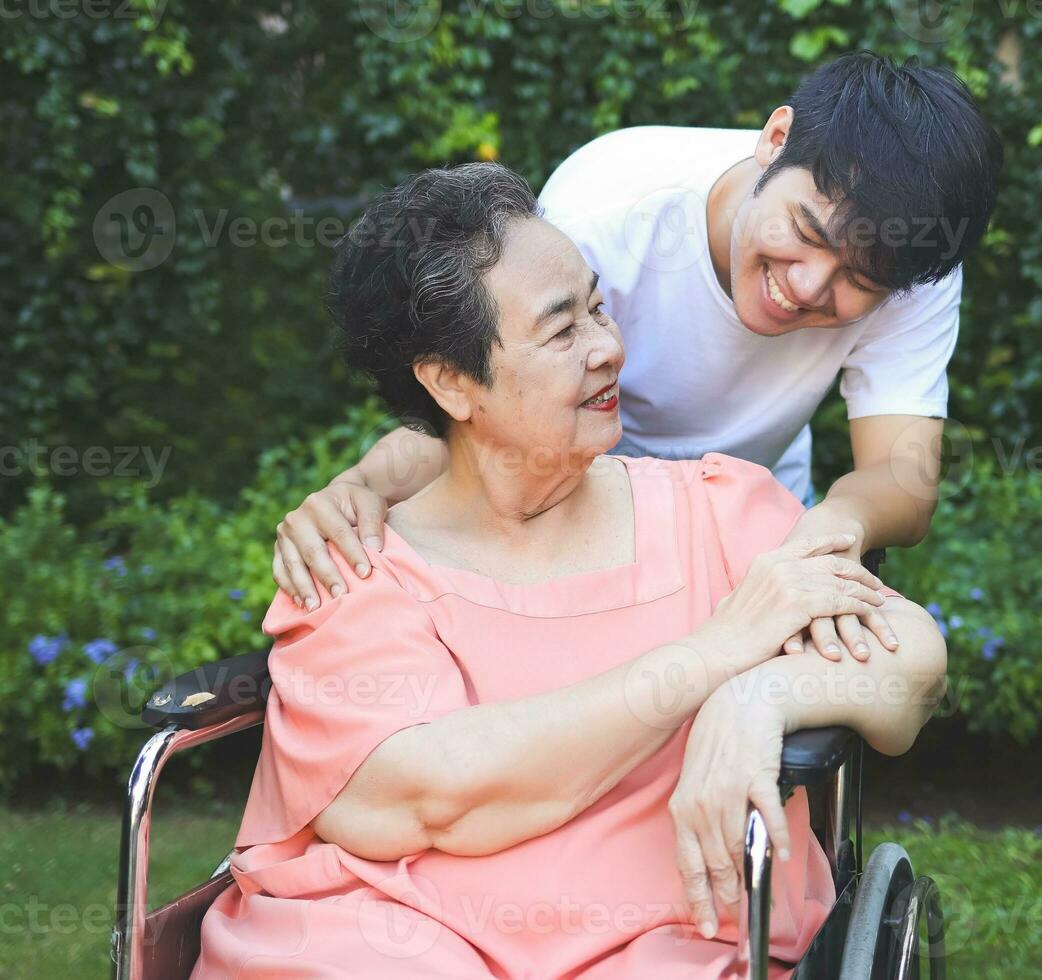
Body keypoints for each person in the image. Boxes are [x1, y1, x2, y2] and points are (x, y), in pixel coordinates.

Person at [192, 164, 947, 978]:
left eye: (599, 308)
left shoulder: (718, 513)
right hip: (385, 931)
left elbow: (911, 664)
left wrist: (762, 694)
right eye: (562, 332)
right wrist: (713, 656)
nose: (609, 349)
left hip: (663, 942)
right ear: (449, 381)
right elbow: (423, 794)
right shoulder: (357, 564)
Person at [270, 50, 1003, 665]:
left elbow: (901, 478)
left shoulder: (913, 259)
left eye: (859, 281)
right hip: (579, 508)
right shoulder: (609, 208)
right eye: (805, 232)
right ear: (776, 138)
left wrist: (830, 528)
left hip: (754, 529)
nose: (808, 286)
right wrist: (360, 488)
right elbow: (495, 413)